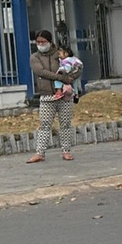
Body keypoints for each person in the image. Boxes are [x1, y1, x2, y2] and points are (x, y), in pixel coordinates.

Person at [27, 30, 76, 163]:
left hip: (64, 96)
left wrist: (71, 78)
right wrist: (62, 77)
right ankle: (40, 153)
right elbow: (41, 72)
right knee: (44, 125)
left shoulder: (59, 54)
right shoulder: (34, 57)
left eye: (43, 42)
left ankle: (66, 151)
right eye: (38, 42)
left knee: (65, 124)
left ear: (50, 42)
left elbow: (74, 65)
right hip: (47, 96)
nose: (41, 44)